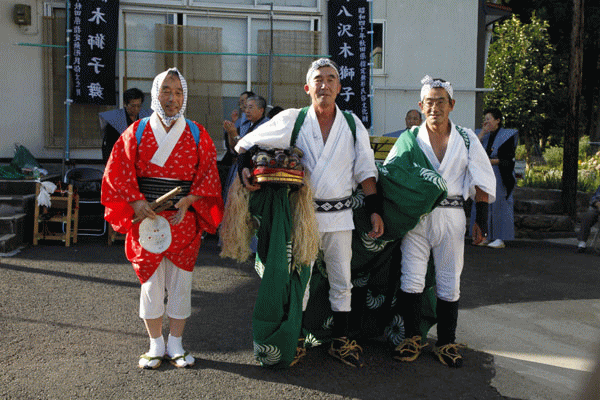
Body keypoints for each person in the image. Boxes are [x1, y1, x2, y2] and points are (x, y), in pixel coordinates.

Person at [235, 58, 384, 368]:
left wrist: (374, 210)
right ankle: (296, 338)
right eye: (318, 79)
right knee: (300, 278)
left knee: (343, 279)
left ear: (339, 87)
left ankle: (340, 340)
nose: (324, 84)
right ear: (307, 87)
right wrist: (245, 168)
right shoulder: (294, 119)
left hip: (341, 214)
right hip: (304, 215)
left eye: (331, 79)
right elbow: (247, 144)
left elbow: (366, 171)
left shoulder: (353, 124)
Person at [101, 68, 224, 370]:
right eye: (166, 91)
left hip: (183, 220)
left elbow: (208, 173)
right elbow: (117, 169)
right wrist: (134, 200)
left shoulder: (197, 133)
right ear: (156, 94)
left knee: (181, 284)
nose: (172, 98)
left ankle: (177, 344)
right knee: (151, 284)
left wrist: (192, 198)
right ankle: (155, 343)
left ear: (184, 97)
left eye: (178, 92)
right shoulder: (137, 131)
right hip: (147, 220)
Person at [392, 76, 495, 368]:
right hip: (417, 217)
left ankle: (447, 342)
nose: (434, 107)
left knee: (449, 279)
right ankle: (412, 337)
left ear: (451, 104)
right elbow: (392, 174)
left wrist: (481, 218)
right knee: (411, 277)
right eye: (429, 102)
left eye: (441, 101)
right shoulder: (409, 138)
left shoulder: (465, 138)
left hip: (452, 214)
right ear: (421, 106)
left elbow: (482, 177)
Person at [469, 108, 518, 249]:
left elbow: (507, 159)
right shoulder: (482, 135)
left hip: (499, 173)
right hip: (483, 173)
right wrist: (483, 132)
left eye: (489, 118)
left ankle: (499, 238)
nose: (486, 121)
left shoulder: (507, 136)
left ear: (498, 120)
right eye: (485, 118)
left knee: (499, 205)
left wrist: (488, 161)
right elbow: (472, 148)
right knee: (482, 203)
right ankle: (482, 236)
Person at [99, 88, 152, 163]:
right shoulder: (114, 121)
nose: (136, 109)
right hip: (120, 161)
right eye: (133, 106)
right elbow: (108, 147)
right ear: (125, 104)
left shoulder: (146, 119)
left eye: (139, 106)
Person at [221, 91, 255, 166]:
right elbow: (233, 147)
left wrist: (234, 134)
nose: (241, 106)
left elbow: (245, 145)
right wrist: (231, 129)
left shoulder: (261, 123)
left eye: (243, 102)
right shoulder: (240, 120)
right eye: (239, 103)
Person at [576, 185, 600, 253]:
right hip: (597, 208)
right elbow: (595, 198)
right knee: (587, 216)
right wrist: (598, 204)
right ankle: (582, 243)